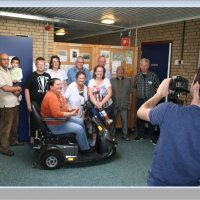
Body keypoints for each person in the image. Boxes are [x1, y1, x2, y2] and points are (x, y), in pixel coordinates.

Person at [137, 69, 200, 186]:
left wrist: (159, 94)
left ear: (196, 86)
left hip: (159, 185)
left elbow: (141, 111)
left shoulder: (168, 110)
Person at [41, 78, 91, 153]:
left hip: (61, 119)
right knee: (79, 128)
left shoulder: (59, 94)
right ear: (51, 87)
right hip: (55, 124)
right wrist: (71, 114)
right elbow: (56, 114)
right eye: (57, 84)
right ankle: (85, 150)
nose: (60, 86)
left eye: (61, 84)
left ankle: (82, 142)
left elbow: (63, 107)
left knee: (80, 121)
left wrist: (70, 109)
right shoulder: (51, 96)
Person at [25, 57, 51, 144]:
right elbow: (26, 90)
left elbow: (51, 89)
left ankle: (44, 137)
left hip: (45, 104)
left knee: (45, 120)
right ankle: (32, 137)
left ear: (45, 65)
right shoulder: (31, 76)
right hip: (34, 103)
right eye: (38, 64)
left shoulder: (48, 76)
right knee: (33, 120)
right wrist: (28, 104)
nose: (40, 66)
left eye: (42, 64)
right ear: (36, 65)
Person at [0, 53, 22, 156]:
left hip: (14, 102)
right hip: (6, 104)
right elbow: (5, 88)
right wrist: (17, 88)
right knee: (6, 128)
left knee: (15, 125)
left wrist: (15, 92)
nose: (6, 61)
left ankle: (13, 141)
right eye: (3, 59)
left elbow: (10, 85)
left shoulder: (9, 71)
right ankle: (4, 147)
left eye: (7, 59)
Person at [133, 58, 160, 143]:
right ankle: (141, 134)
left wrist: (155, 98)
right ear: (140, 66)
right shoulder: (137, 76)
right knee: (140, 118)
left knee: (151, 118)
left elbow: (158, 87)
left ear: (148, 66)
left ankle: (152, 136)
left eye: (146, 65)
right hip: (140, 100)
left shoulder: (153, 75)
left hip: (150, 101)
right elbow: (135, 87)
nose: (144, 67)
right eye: (142, 65)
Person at [88, 65, 114, 146]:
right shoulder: (91, 81)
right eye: (98, 71)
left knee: (106, 122)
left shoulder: (106, 80)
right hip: (95, 107)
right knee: (95, 123)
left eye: (101, 71)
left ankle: (106, 140)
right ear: (95, 72)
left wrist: (101, 103)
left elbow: (110, 93)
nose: (99, 73)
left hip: (106, 107)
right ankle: (94, 140)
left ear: (103, 73)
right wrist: (97, 104)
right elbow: (90, 94)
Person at [110, 66, 132, 141]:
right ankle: (112, 135)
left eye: (121, 70)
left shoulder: (127, 81)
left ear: (123, 72)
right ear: (116, 71)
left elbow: (130, 93)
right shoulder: (111, 81)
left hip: (124, 104)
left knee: (124, 120)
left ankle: (125, 135)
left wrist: (130, 103)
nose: (120, 71)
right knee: (112, 121)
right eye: (118, 70)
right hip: (114, 104)